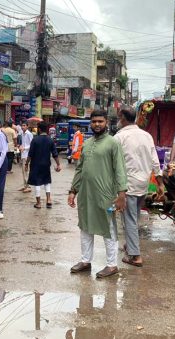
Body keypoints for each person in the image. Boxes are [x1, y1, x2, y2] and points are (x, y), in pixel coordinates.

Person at [68, 109, 128, 279]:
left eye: (100, 121)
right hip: (86, 195)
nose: (97, 124)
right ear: (90, 123)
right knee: (85, 227)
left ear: (106, 123)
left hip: (105, 195)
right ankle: (85, 261)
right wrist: (73, 190)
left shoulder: (113, 143)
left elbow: (120, 170)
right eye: (94, 121)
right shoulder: (86, 144)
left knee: (108, 228)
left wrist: (122, 194)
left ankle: (111, 264)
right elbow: (79, 170)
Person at [113, 106, 164, 268]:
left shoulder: (119, 137)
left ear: (122, 118)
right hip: (143, 184)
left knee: (129, 220)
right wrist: (160, 184)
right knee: (133, 218)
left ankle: (135, 256)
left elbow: (112, 163)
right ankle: (131, 244)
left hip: (127, 185)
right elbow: (155, 160)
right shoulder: (146, 135)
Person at [26, 122, 61, 209]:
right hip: (46, 165)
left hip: (35, 165)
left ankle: (38, 203)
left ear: (40, 129)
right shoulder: (50, 140)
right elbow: (55, 154)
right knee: (46, 181)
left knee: (37, 183)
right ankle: (48, 200)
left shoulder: (35, 140)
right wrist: (58, 164)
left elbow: (30, 154)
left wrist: (26, 164)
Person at [17, 121, 33, 193]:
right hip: (23, 154)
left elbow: (32, 145)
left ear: (27, 126)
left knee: (26, 170)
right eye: (22, 126)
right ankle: (25, 186)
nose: (23, 127)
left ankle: (28, 186)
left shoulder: (29, 134)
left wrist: (25, 148)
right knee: (23, 171)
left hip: (27, 155)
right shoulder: (22, 134)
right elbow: (22, 143)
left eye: (24, 125)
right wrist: (20, 146)